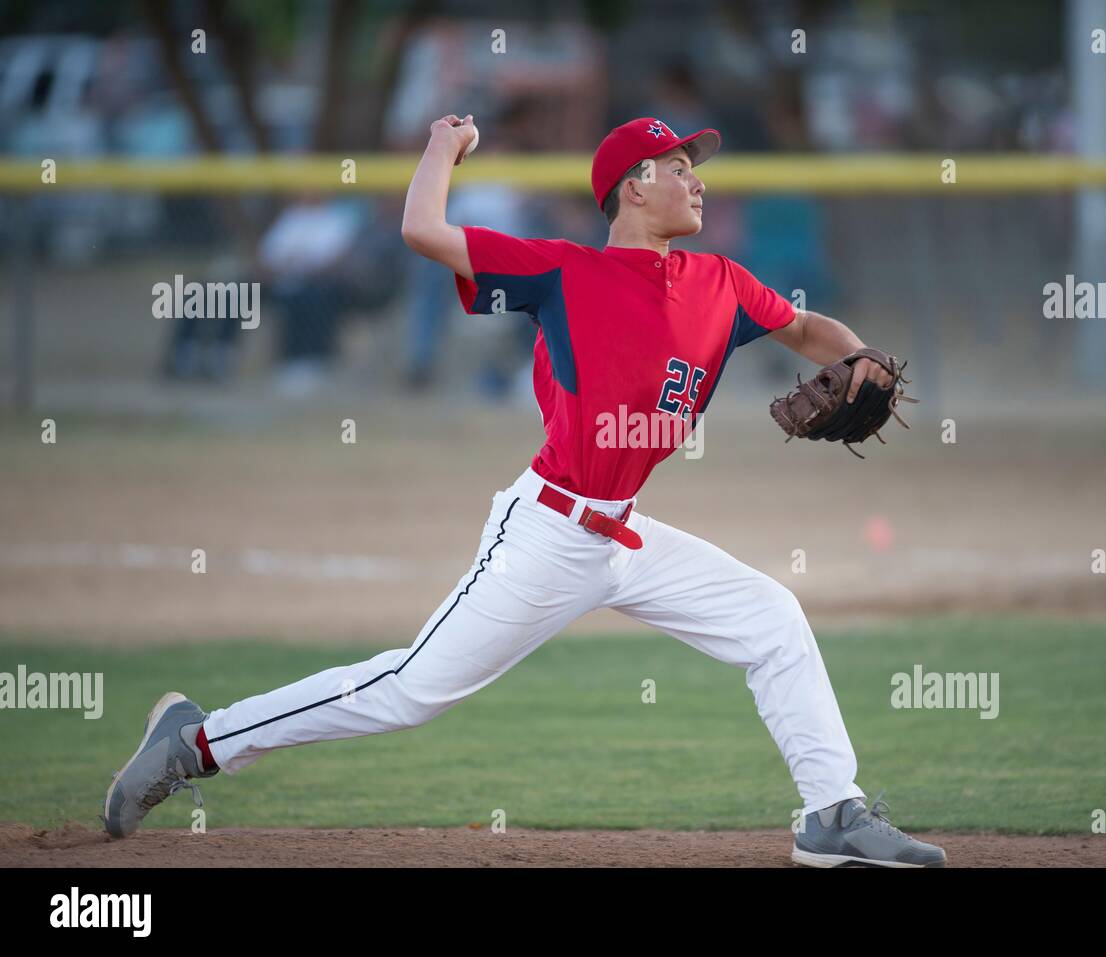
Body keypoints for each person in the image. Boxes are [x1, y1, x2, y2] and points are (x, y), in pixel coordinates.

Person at [103, 115, 946, 868]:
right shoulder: (562, 271)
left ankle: (831, 813)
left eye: (696, 164)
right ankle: (195, 743)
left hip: (624, 536)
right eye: (677, 164)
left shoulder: (718, 281)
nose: (695, 178)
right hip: (546, 532)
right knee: (409, 690)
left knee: (773, 618)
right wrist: (444, 144)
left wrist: (862, 355)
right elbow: (423, 229)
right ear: (632, 186)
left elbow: (804, 330)